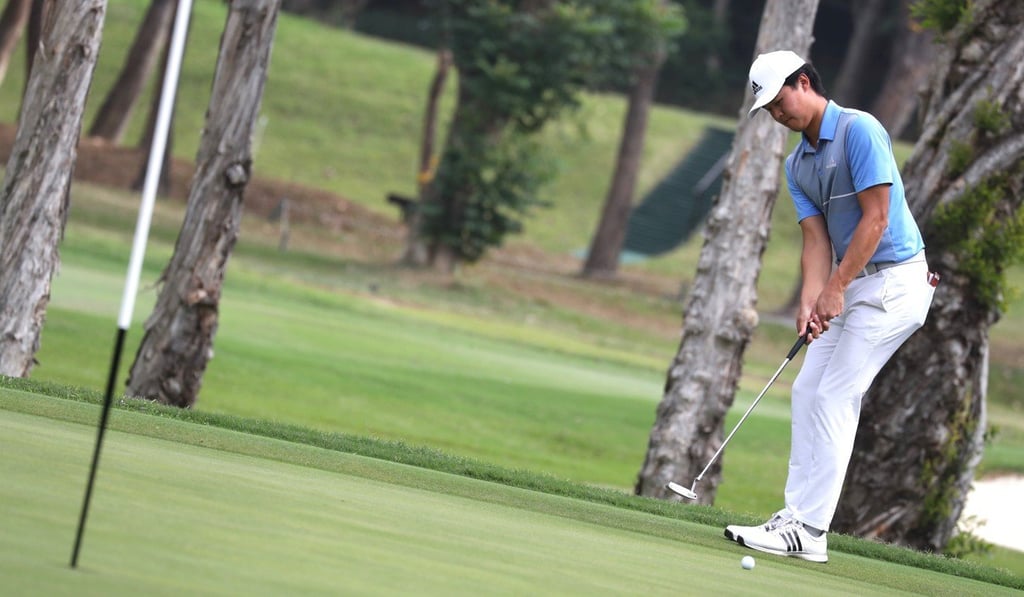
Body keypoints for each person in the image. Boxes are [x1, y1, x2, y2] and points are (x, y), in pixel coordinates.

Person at [723, 50, 938, 563]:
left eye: (780, 102)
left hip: (894, 284)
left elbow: (876, 219)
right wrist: (809, 300)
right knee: (807, 390)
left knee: (836, 394)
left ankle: (811, 532)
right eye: (769, 110)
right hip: (852, 284)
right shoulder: (798, 165)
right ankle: (794, 518)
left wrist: (834, 289)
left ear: (803, 82)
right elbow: (815, 242)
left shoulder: (859, 131)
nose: (778, 115)